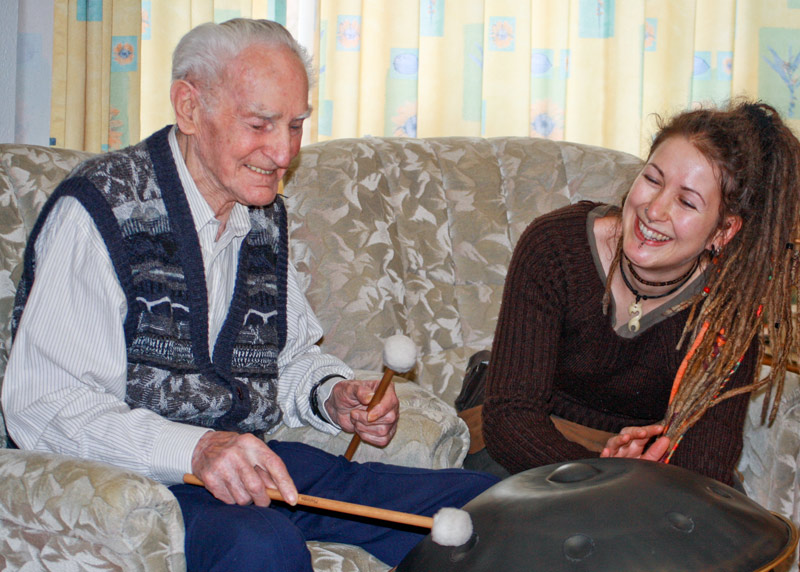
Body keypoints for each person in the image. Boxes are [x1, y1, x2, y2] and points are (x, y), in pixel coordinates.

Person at [2, 19, 498, 572]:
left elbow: (284, 359)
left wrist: (332, 396)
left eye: (295, 125)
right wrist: (195, 450)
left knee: (481, 505)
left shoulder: (260, 215)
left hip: (250, 464)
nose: (283, 152)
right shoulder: (100, 211)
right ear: (189, 108)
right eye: (261, 124)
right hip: (137, 485)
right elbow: (43, 404)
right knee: (259, 544)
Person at [468, 100, 800, 487]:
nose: (655, 209)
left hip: (644, 477)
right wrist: (608, 478)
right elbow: (510, 418)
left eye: (687, 201)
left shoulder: (728, 313)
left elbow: (704, 468)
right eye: (653, 179)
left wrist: (638, 476)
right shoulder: (555, 247)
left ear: (723, 231)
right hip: (523, 449)